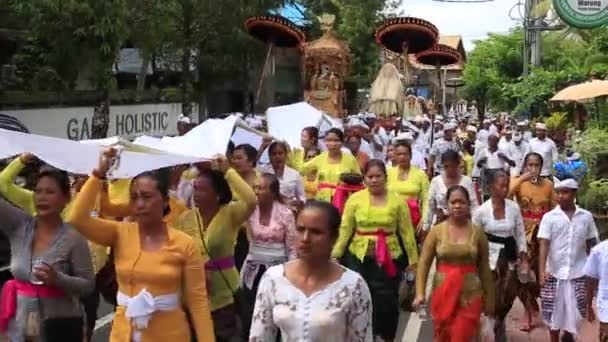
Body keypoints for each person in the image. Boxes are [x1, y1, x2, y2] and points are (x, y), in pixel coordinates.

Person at [67, 149, 215, 342]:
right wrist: (98, 175)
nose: (139, 204)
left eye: (146, 197)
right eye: (134, 197)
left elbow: (198, 302)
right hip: (122, 334)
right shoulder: (120, 233)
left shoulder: (184, 244)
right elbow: (77, 218)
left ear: (164, 201)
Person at [0, 154, 103, 341]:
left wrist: (58, 279)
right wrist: (21, 160)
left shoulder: (74, 238)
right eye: (38, 192)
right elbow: (3, 184)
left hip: (60, 328)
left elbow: (88, 285)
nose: (42, 198)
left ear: (65, 198)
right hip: (20, 328)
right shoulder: (20, 226)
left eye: (50, 192)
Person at [249, 201, 373, 341]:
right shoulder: (273, 279)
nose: (305, 238)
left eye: (316, 232)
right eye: (300, 229)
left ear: (334, 237)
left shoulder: (353, 286)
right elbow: (259, 336)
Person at [173, 157, 257, 341]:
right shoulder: (185, 218)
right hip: (194, 292)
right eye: (195, 188)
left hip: (225, 293)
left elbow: (251, 200)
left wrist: (228, 171)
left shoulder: (230, 213)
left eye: (202, 189)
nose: (196, 194)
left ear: (217, 194)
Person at [333, 160, 418, 341]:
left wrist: (413, 262)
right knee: (360, 299)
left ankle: (386, 336)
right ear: (364, 179)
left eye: (378, 176)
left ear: (385, 178)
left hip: (390, 259)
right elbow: (346, 229)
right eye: (370, 177)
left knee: (387, 302)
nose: (374, 180)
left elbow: (407, 233)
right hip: (358, 258)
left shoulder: (398, 202)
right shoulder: (355, 200)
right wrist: (335, 255)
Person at [414, 185, 495, 341]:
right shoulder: (436, 232)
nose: (457, 206)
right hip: (443, 293)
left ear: (468, 205)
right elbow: (423, 264)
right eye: (453, 202)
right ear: (447, 205)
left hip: (470, 295)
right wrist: (420, 293)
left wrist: (490, 300)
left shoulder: (478, 233)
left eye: (462, 202)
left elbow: (484, 268)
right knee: (442, 336)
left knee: (462, 336)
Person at [538, 178, 597, 342]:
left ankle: (569, 337)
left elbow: (592, 244)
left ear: (574, 193)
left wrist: (594, 271)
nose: (560, 196)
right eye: (557, 192)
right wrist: (542, 271)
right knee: (553, 315)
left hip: (578, 273)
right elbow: (544, 244)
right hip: (554, 274)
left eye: (565, 192)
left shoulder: (586, 217)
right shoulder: (549, 217)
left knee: (576, 315)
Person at [239, 173, 296, 338]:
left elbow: (292, 247)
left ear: (272, 192)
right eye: (255, 187)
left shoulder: (285, 213)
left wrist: (292, 274)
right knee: (250, 308)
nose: (257, 191)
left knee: (275, 310)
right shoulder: (250, 210)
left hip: (278, 267)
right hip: (253, 266)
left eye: (261, 188)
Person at [473, 170, 527, 340]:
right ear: (491, 187)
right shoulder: (481, 211)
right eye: (501, 185)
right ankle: (489, 327)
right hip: (490, 259)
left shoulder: (513, 207)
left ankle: (498, 320)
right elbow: (475, 238)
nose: (505, 189)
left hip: (509, 256)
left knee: (509, 293)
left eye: (506, 185)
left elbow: (519, 232)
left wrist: (523, 255)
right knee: (491, 295)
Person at [509, 152, 554, 331]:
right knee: (521, 278)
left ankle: (541, 308)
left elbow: (552, 210)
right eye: (530, 165)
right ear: (525, 166)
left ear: (542, 167)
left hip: (542, 237)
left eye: (537, 165)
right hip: (522, 237)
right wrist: (521, 178)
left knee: (542, 275)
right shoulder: (519, 183)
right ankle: (528, 311)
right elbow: (506, 195)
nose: (533, 169)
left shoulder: (549, 185)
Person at [423, 150, 479, 233]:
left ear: (458, 164)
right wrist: (425, 228)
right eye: (446, 166)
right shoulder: (436, 181)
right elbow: (430, 206)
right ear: (442, 166)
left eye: (453, 166)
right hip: (440, 225)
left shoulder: (467, 181)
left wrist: (476, 228)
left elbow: (474, 206)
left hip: (462, 226)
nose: (450, 169)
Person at [300, 128, 361, 203]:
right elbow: (301, 170)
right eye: (329, 140)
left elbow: (359, 179)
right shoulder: (319, 158)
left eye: (336, 140)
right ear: (325, 142)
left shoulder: (350, 160)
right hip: (323, 201)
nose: (332, 144)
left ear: (342, 142)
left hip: (344, 200)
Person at [387, 141, 429, 230]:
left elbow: (426, 199)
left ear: (411, 156)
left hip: (412, 219)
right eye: (399, 154)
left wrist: (424, 220)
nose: (402, 157)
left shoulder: (420, 174)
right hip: (391, 217)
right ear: (395, 156)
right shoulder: (388, 172)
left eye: (405, 154)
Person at [262, 141, 306, 210]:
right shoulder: (264, 173)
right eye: (274, 154)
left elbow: (302, 197)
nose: (277, 156)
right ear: (269, 157)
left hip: (289, 213)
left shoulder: (295, 175)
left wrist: (299, 202)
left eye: (280, 153)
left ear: (286, 155)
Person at [583, 239, 608, 341]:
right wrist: (588, 306)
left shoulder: (600, 249)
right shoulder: (599, 250)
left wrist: (589, 306)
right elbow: (590, 280)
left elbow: (590, 280)